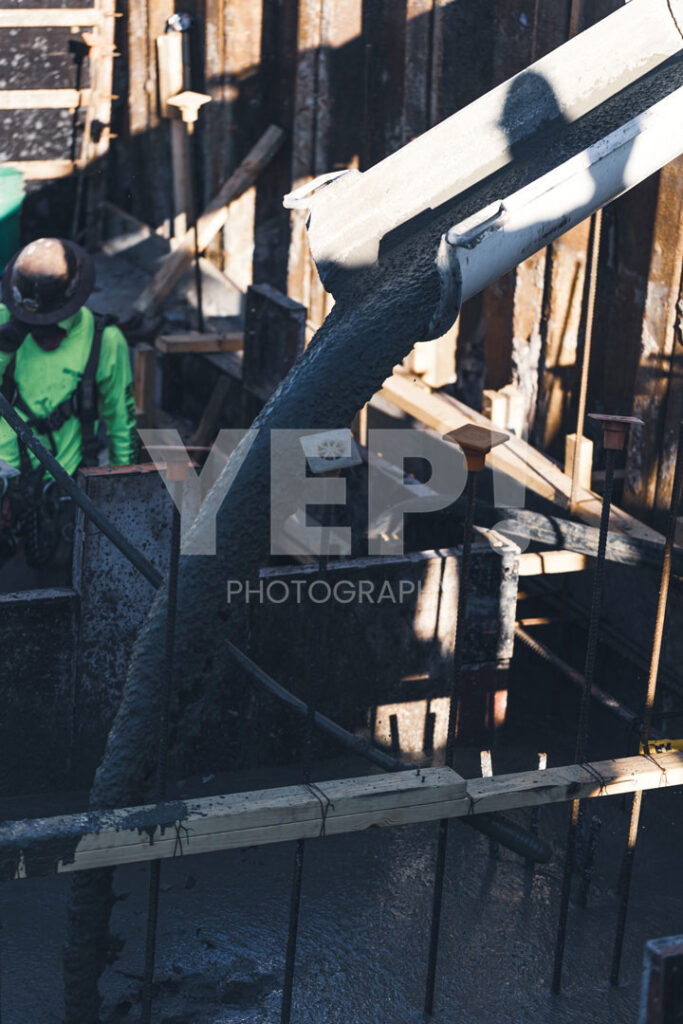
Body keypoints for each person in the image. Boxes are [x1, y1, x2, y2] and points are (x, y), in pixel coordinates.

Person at [0, 237, 137, 572]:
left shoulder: (104, 341)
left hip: (63, 490)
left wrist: (121, 498)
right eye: (39, 327)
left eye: (55, 326)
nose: (46, 336)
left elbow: (121, 423)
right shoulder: (5, 326)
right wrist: (6, 343)